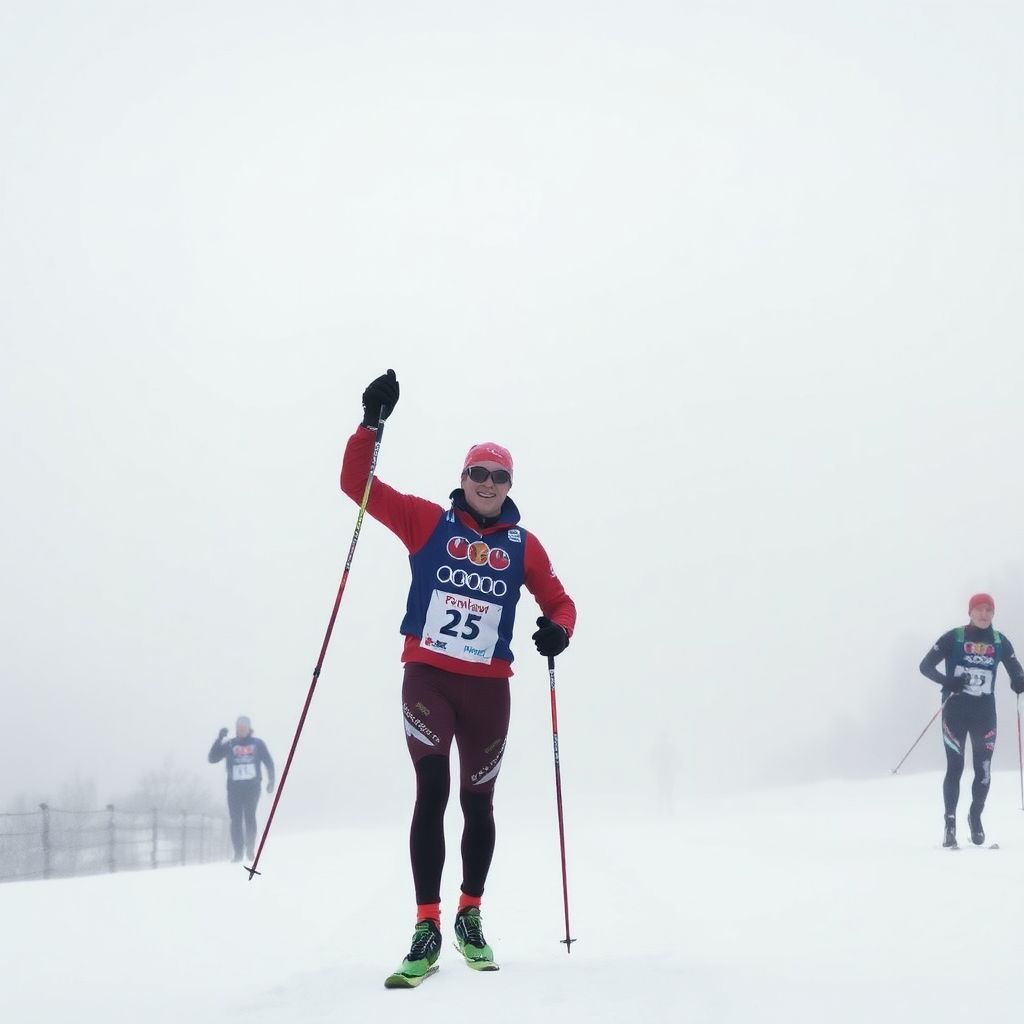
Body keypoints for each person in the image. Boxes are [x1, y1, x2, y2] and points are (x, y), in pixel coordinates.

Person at [341, 369, 577, 987]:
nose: (489, 484)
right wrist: (371, 424)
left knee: (478, 802)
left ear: (510, 485)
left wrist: (559, 631)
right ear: (463, 477)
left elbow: (558, 602)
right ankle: (426, 925)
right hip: (428, 678)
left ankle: (470, 913)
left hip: (488, 690)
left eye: (500, 476)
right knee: (432, 790)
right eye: (479, 473)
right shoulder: (426, 522)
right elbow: (355, 484)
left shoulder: (524, 545)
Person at [919, 594, 1024, 848]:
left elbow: (1016, 671)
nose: (984, 614)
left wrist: (1018, 681)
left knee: (983, 771)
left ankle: (975, 817)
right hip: (955, 711)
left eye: (989, 610)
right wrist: (948, 681)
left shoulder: (1000, 641)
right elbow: (925, 666)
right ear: (970, 612)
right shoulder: (954, 637)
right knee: (955, 766)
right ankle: (950, 823)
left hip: (984, 714)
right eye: (979, 609)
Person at [207, 716, 275, 863]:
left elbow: (268, 762)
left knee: (250, 816)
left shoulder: (258, 744)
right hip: (234, 789)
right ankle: (238, 852)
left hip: (252, 787)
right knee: (236, 819)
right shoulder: (230, 744)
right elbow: (212, 758)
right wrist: (219, 740)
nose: (242, 730)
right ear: (236, 728)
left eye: (244, 727)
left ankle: (250, 849)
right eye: (239, 727)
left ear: (249, 728)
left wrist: (271, 781)